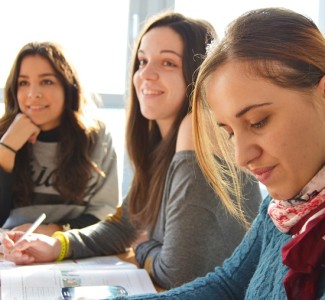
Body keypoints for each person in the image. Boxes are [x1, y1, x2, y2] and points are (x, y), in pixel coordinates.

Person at [1, 12, 262, 290]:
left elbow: (177, 273)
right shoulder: (159, 146)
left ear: (197, 74)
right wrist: (57, 245)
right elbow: (124, 225)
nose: (145, 75)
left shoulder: (197, 127)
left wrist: (143, 247)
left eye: (168, 62)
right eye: (142, 61)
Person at [118, 6, 325, 299]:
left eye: (258, 122)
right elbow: (228, 284)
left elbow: (181, 269)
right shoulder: (280, 210)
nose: (241, 157)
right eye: (229, 132)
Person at [0, 41, 119, 236]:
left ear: (68, 86)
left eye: (46, 81)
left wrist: (52, 231)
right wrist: (6, 151)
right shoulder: (4, 137)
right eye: (23, 83)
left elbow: (105, 214)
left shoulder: (96, 137)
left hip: (75, 252)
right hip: (10, 255)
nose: (33, 94)